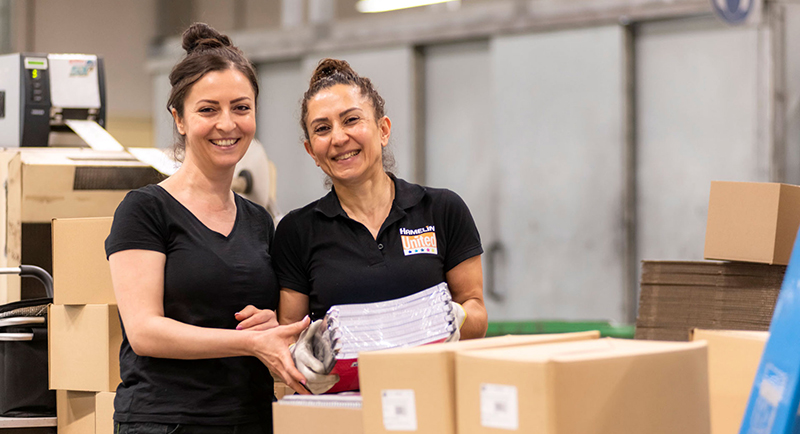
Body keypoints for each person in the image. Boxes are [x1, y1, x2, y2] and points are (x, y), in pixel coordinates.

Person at [105, 23, 310, 434]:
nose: (227, 123)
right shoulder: (145, 210)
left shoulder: (258, 220)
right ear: (179, 119)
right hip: (166, 421)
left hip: (251, 417)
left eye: (241, 107)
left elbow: (254, 317)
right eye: (208, 109)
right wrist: (249, 343)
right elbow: (145, 331)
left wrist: (268, 324)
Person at [271, 58, 488, 391]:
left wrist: (452, 318)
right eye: (322, 128)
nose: (339, 137)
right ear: (311, 151)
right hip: (342, 414)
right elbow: (290, 332)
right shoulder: (297, 231)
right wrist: (303, 356)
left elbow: (476, 311)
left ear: (383, 129)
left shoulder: (442, 210)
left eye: (351, 120)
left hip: (433, 401)